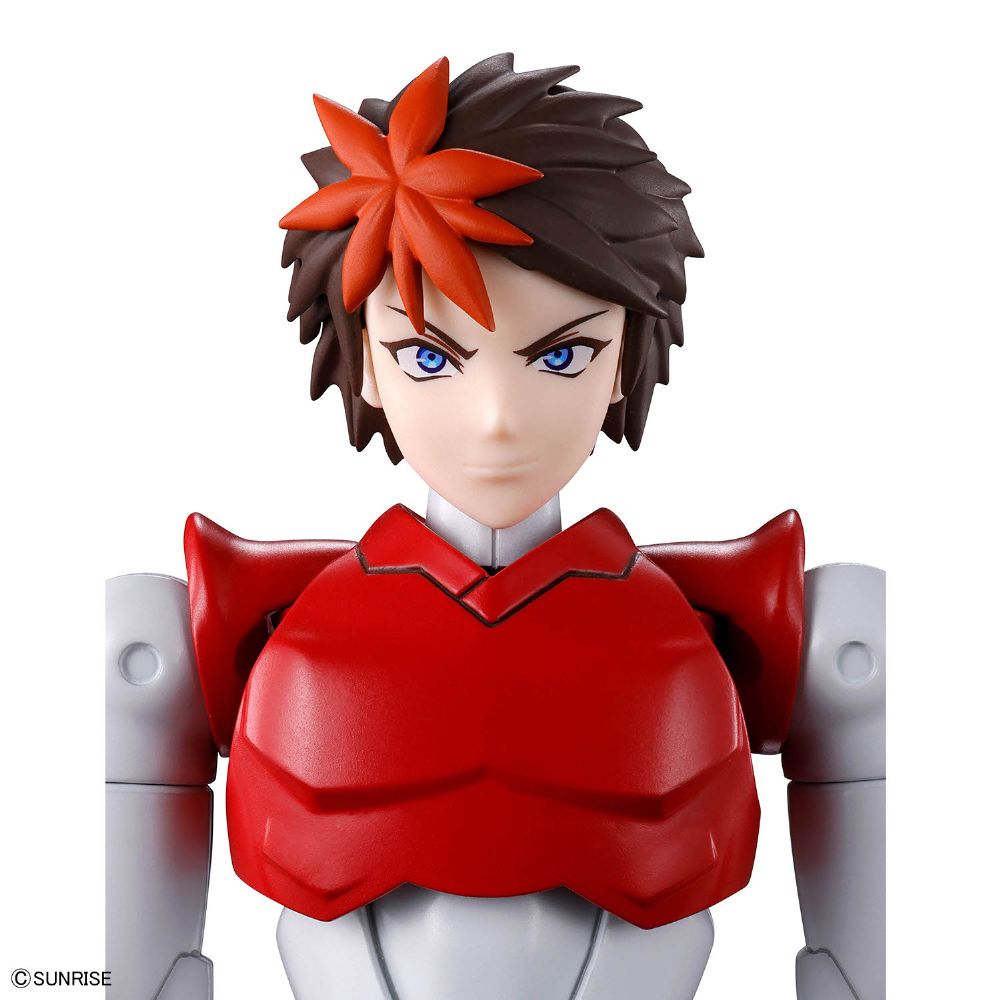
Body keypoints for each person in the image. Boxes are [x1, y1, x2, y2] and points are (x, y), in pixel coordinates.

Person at [105, 54, 885, 1000]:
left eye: (561, 355)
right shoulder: (253, 622)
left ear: (626, 355)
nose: (497, 420)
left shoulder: (736, 622)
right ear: (366, 362)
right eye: (430, 356)